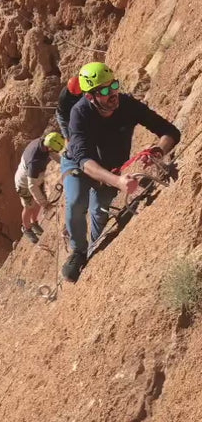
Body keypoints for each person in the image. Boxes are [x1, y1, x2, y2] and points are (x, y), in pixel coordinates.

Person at [61, 62, 180, 282]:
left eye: (114, 85)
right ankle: (78, 251)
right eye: (105, 90)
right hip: (79, 164)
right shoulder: (79, 113)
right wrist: (117, 181)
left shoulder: (127, 105)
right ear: (90, 97)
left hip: (110, 167)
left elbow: (169, 131)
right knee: (77, 201)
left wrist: (158, 150)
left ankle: (95, 246)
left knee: (100, 210)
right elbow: (85, 161)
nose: (113, 94)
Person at [15, 132, 66, 244]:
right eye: (53, 150)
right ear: (48, 147)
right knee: (29, 206)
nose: (55, 152)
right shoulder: (34, 161)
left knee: (38, 201)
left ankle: (34, 223)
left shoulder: (44, 142)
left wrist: (66, 164)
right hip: (24, 183)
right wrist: (46, 204)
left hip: (37, 177)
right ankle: (26, 228)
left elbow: (54, 155)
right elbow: (31, 186)